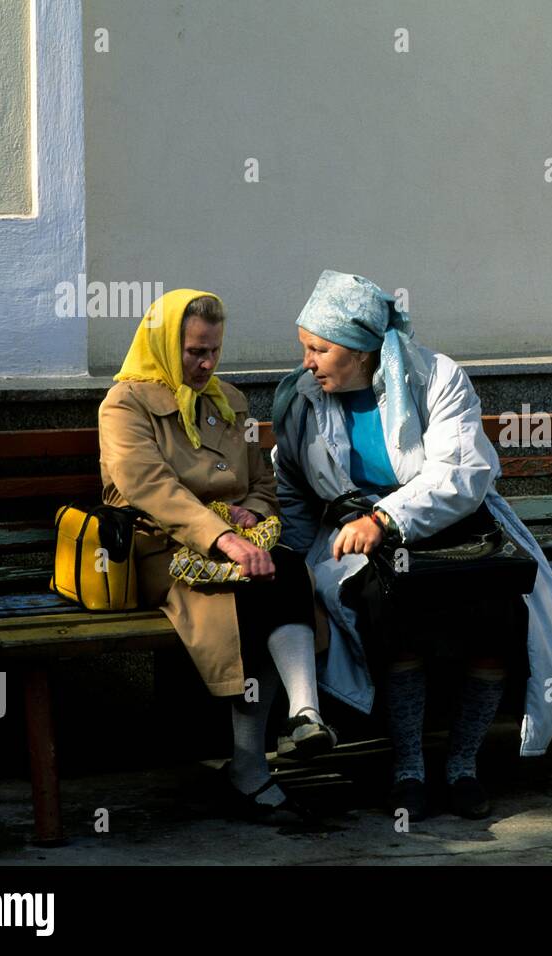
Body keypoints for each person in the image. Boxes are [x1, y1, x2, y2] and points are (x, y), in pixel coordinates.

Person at [271, 271, 552, 820]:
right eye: (304, 347)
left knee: (497, 614)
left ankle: (463, 767)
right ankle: (408, 768)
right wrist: (294, 566)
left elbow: (460, 474)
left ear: (361, 351)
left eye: (320, 349)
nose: (307, 361)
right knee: (389, 612)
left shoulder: (436, 378)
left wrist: (385, 517)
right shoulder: (302, 398)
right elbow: (291, 485)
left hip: (457, 533)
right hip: (359, 542)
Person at [98, 288, 337, 821]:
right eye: (193, 352)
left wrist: (251, 510)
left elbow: (261, 479)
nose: (205, 363)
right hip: (163, 553)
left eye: (212, 351)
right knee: (248, 593)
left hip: (236, 547)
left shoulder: (229, 401)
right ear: (163, 344)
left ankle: (304, 715)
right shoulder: (125, 404)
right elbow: (149, 487)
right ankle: (250, 769)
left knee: (283, 569)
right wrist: (222, 536)